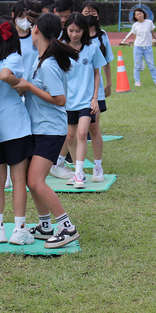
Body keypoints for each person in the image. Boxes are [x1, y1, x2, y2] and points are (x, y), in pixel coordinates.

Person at [11, 12, 81, 249]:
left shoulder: (49, 64)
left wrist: (29, 86)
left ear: (37, 30)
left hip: (50, 130)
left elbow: (60, 100)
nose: (29, 30)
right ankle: (44, 226)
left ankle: (67, 227)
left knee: (36, 180)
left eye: (32, 27)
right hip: (37, 128)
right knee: (33, 181)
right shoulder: (39, 59)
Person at [0, 18, 34, 245]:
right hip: (15, 127)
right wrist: (20, 84)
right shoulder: (13, 58)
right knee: (19, 179)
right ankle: (19, 229)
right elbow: (6, 75)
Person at [59, 13, 105, 188]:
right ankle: (77, 171)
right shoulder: (61, 47)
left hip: (86, 101)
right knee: (70, 137)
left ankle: (83, 172)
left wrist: (95, 98)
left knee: (82, 133)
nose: (74, 34)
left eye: (78, 31)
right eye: (71, 30)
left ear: (84, 31)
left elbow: (96, 73)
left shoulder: (92, 48)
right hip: (68, 101)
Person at [82, 1, 114, 181]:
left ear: (98, 16)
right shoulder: (74, 34)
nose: (89, 15)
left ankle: (97, 166)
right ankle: (63, 162)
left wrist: (108, 83)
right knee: (72, 131)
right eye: (86, 12)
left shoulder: (102, 36)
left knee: (94, 127)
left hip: (96, 89)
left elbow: (107, 61)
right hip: (76, 90)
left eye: (92, 12)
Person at [121, 8, 156, 86]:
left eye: (140, 13)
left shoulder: (149, 22)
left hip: (148, 47)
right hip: (138, 47)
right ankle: (137, 81)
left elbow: (152, 32)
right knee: (137, 65)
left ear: (143, 14)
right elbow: (135, 36)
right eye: (137, 14)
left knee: (151, 64)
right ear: (135, 17)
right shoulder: (135, 25)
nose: (139, 15)